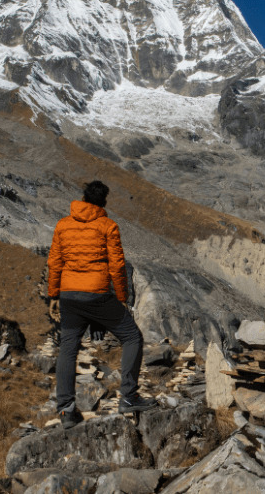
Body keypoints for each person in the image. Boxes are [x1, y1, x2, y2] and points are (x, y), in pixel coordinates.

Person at [47, 180, 156, 428]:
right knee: (131, 337)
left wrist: (54, 295)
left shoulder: (63, 225)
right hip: (96, 293)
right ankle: (128, 397)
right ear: (103, 202)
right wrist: (122, 298)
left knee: (68, 347)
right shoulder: (108, 226)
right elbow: (117, 265)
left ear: (83, 198)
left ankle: (65, 409)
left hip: (69, 295)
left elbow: (55, 262)